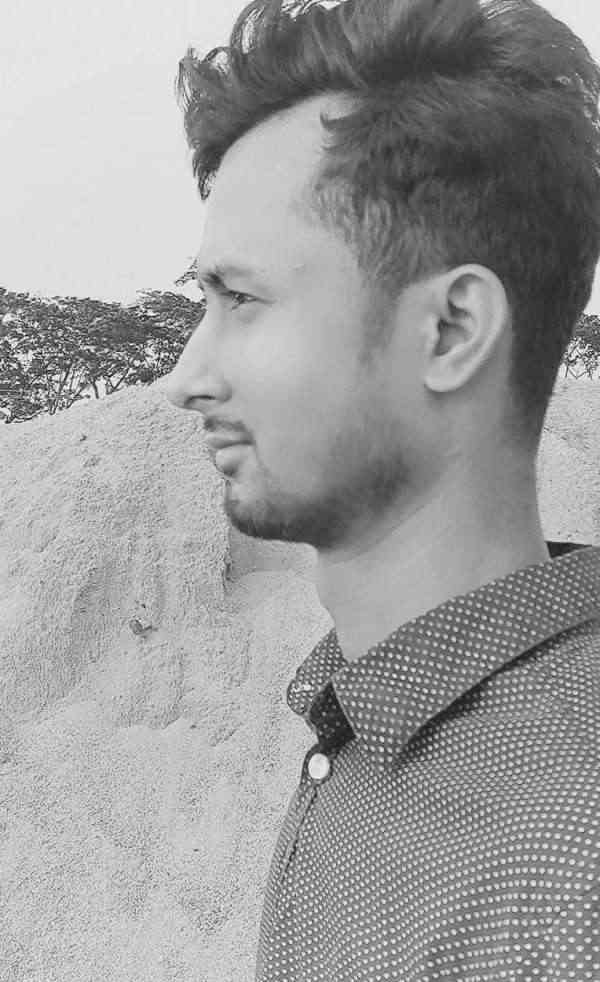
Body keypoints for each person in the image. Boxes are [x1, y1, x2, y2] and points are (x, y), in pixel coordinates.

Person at [165, 0, 600, 977]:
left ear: (450, 331)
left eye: (241, 298)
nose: (186, 376)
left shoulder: (570, 869)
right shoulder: (370, 716)